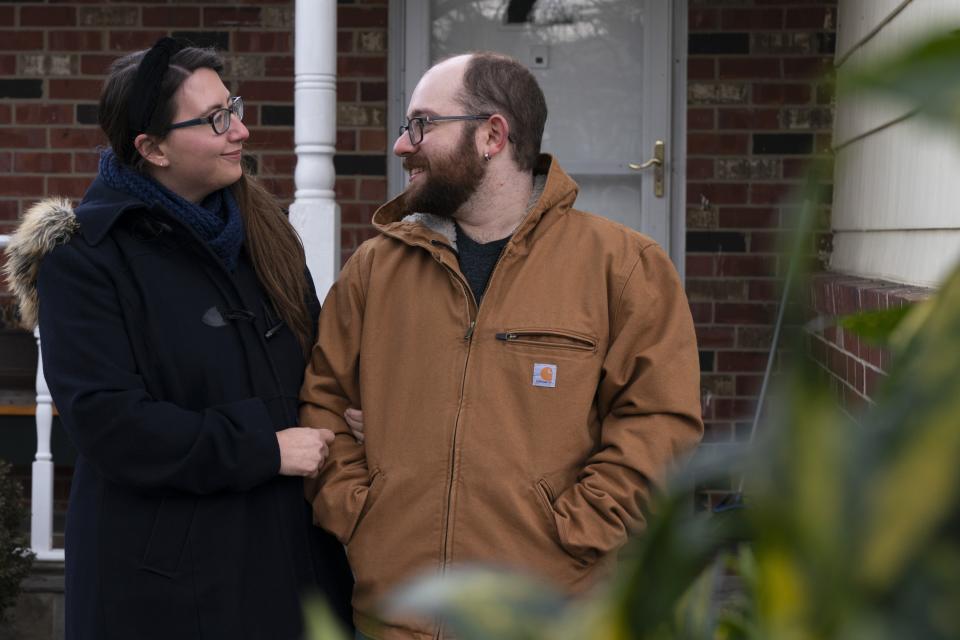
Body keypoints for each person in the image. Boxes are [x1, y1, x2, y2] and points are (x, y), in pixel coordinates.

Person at [299, 51, 704, 639]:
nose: (401, 145)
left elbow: (659, 429)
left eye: (421, 125)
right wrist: (359, 512)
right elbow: (324, 402)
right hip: (396, 618)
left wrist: (572, 533)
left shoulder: (624, 268)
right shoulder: (373, 270)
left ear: (492, 135)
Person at [2, 39, 353, 639]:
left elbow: (315, 362)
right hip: (164, 584)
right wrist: (265, 449)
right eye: (216, 119)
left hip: (289, 560)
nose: (239, 129)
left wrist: (347, 412)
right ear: (152, 148)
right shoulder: (84, 258)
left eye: (233, 107)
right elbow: (111, 425)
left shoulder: (264, 235)